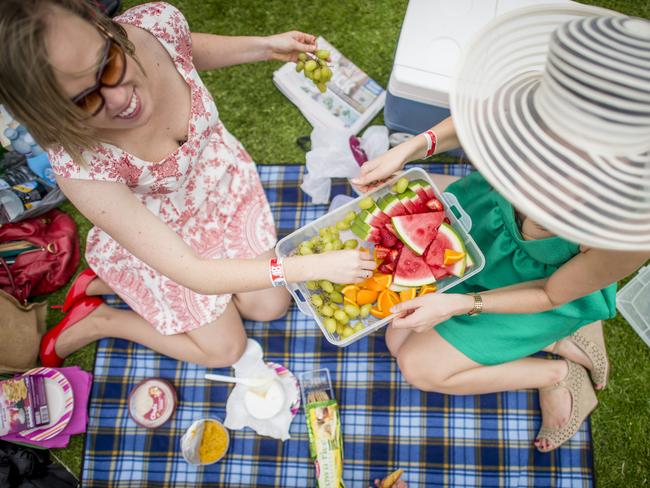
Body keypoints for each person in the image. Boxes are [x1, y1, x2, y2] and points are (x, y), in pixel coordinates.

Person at [0, 0, 376, 368]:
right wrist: (308, 266)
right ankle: (101, 320)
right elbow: (191, 271)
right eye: (84, 100)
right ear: (51, 114)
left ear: (106, 29)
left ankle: (112, 287)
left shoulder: (153, 28)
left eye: (108, 63)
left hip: (223, 189)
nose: (120, 98)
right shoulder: (80, 167)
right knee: (227, 350)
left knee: (270, 306)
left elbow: (186, 49)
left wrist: (265, 46)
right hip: (163, 236)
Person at [352, 6, 650, 452]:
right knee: (398, 337)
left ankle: (557, 373)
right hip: (486, 232)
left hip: (541, 288)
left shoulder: (630, 232)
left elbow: (550, 293)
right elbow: (481, 117)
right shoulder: (563, 108)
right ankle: (559, 341)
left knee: (417, 366)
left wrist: (457, 306)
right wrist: (412, 148)